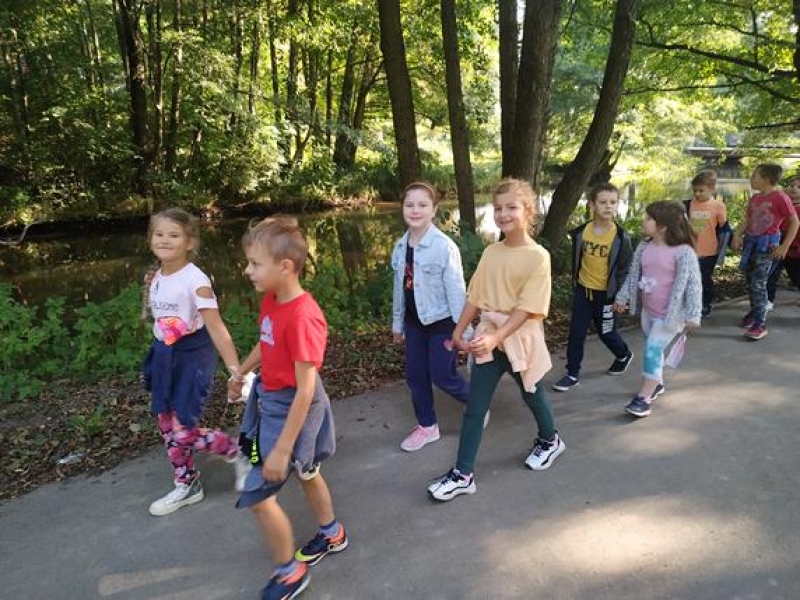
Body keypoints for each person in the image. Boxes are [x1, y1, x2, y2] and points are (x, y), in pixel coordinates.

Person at [227, 217, 347, 600]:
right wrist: (241, 372)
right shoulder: (273, 299)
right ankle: (332, 533)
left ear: (285, 267)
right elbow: (266, 343)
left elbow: (305, 391)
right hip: (270, 398)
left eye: (254, 264)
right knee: (308, 472)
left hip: (294, 407)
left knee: (259, 496)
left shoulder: (302, 317)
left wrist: (281, 449)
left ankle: (290, 574)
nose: (247, 271)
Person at [426, 178, 565, 503]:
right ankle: (463, 474)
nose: (503, 214)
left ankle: (550, 440)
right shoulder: (492, 252)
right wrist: (459, 331)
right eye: (498, 208)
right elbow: (476, 297)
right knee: (475, 407)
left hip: (520, 339)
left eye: (511, 207)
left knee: (532, 394)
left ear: (528, 211)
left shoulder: (538, 257)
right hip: (489, 336)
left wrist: (498, 337)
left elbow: (527, 309)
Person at [142, 208, 249, 517]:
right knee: (166, 424)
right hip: (164, 356)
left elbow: (216, 327)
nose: (164, 240)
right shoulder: (156, 275)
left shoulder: (196, 280)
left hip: (192, 358)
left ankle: (236, 451)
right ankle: (187, 484)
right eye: (159, 234)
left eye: (174, 235)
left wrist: (235, 371)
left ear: (189, 242)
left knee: (183, 431)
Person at [391, 181, 470, 451]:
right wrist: (397, 324)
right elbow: (399, 290)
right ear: (403, 208)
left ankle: (476, 404)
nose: (415, 210)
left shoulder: (444, 247)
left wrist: (463, 332)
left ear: (434, 210)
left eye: (422, 205)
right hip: (415, 324)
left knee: (442, 375)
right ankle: (427, 426)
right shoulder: (400, 247)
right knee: (415, 377)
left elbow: (457, 292)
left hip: (443, 324)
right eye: (409, 205)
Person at [613, 201, 702, 418]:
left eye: (648, 219)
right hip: (648, 312)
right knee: (654, 350)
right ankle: (657, 383)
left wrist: (693, 313)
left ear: (662, 226)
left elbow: (693, 285)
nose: (643, 222)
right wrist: (623, 296)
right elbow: (634, 275)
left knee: (652, 351)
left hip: (670, 316)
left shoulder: (683, 252)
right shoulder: (644, 247)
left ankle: (643, 398)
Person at [553, 183, 633, 392]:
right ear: (592, 205)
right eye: (603, 202)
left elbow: (627, 269)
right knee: (576, 333)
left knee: (606, 332)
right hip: (583, 291)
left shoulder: (621, 237)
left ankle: (623, 354)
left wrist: (621, 296)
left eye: (613, 202)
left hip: (606, 296)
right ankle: (572, 374)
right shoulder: (582, 232)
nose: (608, 206)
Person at [731, 163, 800, 340]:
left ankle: (760, 324)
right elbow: (748, 220)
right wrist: (737, 235)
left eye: (755, 176)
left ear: (766, 179)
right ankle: (755, 312)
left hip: (767, 247)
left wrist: (784, 246)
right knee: (750, 282)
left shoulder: (780, 197)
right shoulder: (755, 198)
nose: (751, 178)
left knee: (758, 283)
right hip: (750, 245)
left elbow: (794, 221)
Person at [683, 170, 730, 317]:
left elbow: (724, 229)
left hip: (709, 251)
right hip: (689, 250)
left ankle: (705, 303)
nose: (697, 194)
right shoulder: (688, 205)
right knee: (688, 279)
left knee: (704, 279)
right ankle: (690, 305)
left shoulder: (718, 206)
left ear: (712, 189)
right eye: (695, 191)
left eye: (701, 191)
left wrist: (729, 244)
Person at [765, 175, 800, 305]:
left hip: (795, 250)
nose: (794, 189)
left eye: (799, 187)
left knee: (796, 276)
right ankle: (767, 301)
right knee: (770, 274)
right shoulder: (781, 205)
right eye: (792, 186)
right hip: (776, 246)